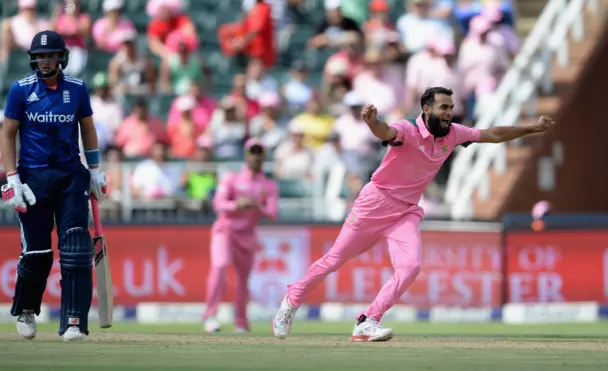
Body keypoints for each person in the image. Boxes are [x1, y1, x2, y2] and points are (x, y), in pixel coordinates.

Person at [272, 86, 556, 342]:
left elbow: (492, 134)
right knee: (335, 259)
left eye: (450, 107)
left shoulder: (454, 133)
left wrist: (531, 128)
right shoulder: (407, 129)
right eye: (443, 107)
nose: (448, 112)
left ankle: (367, 321)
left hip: (406, 211)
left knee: (410, 267)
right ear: (427, 109)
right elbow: (385, 131)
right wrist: (372, 122)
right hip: (375, 203)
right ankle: (292, 299)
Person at [0, 30, 107, 342]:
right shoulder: (21, 90)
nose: (46, 60)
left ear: (62, 57)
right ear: (33, 58)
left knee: (74, 248)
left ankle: (73, 321)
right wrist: (11, 177)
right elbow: (7, 134)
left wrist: (95, 170)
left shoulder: (76, 88)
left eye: (51, 55)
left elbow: (87, 128)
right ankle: (27, 308)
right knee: (38, 253)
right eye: (41, 56)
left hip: (71, 174)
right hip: (33, 177)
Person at [203, 138, 279, 333]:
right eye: (252, 152)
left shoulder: (268, 185)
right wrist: (237, 205)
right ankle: (210, 316)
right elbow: (218, 204)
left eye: (258, 153)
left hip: (247, 235)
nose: (255, 157)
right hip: (225, 230)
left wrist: (256, 205)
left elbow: (272, 213)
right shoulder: (232, 178)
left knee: (243, 279)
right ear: (246, 155)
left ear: (263, 156)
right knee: (219, 266)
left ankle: (241, 321)